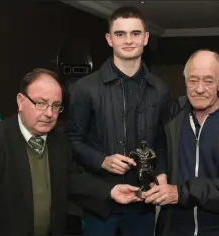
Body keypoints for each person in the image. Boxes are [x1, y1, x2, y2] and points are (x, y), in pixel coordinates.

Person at [0, 68, 141, 236]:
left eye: (56, 106)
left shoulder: (59, 141)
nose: (49, 113)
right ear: (21, 101)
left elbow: (73, 179)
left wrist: (111, 191)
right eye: (41, 103)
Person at [66, 6, 168, 236]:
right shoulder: (85, 88)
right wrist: (102, 160)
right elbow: (71, 140)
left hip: (143, 200)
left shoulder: (160, 89)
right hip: (100, 200)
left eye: (135, 33)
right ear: (109, 39)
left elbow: (163, 140)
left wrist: (162, 172)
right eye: (120, 34)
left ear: (146, 38)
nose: (129, 40)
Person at [144, 50, 219, 236]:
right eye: (193, 80)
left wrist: (180, 193)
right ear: (185, 81)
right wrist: (160, 171)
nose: (199, 89)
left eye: (208, 81)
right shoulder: (171, 114)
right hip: (175, 227)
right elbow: (159, 146)